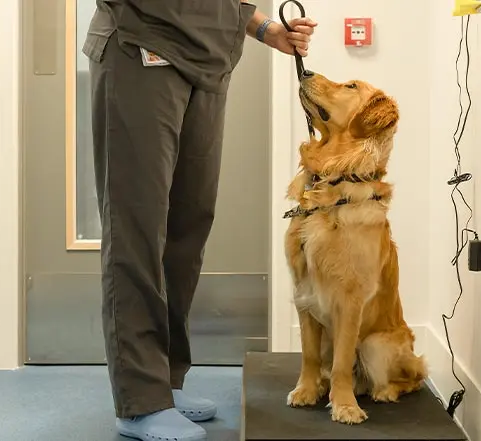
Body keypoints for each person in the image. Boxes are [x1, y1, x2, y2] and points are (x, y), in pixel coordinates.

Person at [83, 1, 316, 440]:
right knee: (137, 226)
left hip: (208, 62)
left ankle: (166, 382)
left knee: (187, 226)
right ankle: (140, 400)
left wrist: (265, 29)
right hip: (141, 46)